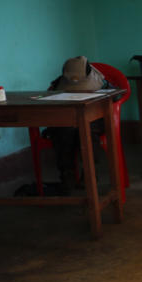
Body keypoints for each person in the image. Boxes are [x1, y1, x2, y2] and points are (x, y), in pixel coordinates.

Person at [43, 56, 111, 191]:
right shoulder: (58, 83)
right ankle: (67, 174)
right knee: (63, 131)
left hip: (93, 121)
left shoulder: (102, 83)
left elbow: (115, 98)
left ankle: (89, 174)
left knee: (88, 132)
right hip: (68, 120)